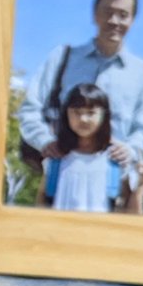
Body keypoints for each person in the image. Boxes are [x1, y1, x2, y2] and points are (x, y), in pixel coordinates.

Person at [18, 0, 143, 175]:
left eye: (123, 15)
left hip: (114, 178)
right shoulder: (62, 58)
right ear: (94, 15)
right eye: (108, 12)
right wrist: (45, 141)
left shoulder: (142, 73)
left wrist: (131, 150)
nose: (114, 21)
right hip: (61, 173)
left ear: (132, 20)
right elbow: (30, 109)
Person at [43, 83, 124, 212]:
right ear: (66, 114)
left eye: (91, 112)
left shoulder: (115, 159)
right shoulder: (56, 158)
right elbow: (42, 202)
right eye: (77, 112)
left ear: (104, 115)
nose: (83, 119)